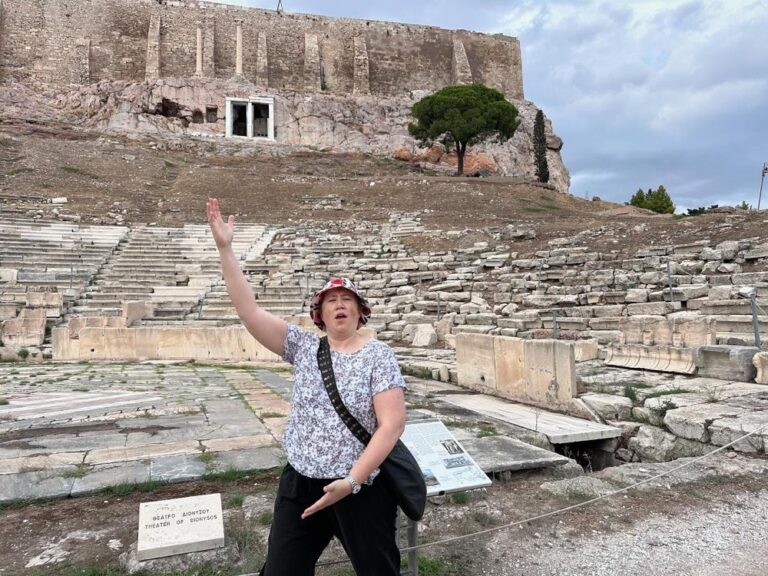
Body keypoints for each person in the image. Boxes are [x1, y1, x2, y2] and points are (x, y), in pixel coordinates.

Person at [206, 198, 407, 576]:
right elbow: (249, 311)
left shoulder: (379, 356)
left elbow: (392, 424)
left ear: (361, 311)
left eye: (347, 299)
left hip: (359, 487)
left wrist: (351, 481)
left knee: (378, 569)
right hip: (301, 483)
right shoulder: (303, 345)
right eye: (331, 300)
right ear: (320, 314)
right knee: (282, 570)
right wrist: (225, 249)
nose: (339, 305)